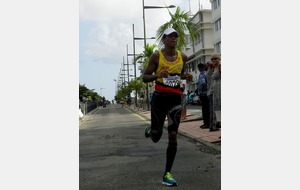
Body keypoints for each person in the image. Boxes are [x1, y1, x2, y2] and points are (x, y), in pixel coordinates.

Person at [142, 27, 187, 187]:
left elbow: (181, 76)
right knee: (156, 136)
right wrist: (157, 75)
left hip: (175, 99)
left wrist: (184, 78)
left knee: (173, 135)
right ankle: (151, 130)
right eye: (170, 37)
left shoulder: (183, 56)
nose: (173, 39)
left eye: (176, 36)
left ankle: (167, 173)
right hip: (159, 99)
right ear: (164, 40)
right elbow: (144, 77)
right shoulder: (156, 56)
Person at [197, 63, 210, 129]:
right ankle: (207, 122)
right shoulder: (206, 73)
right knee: (207, 108)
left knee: (205, 109)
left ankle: (206, 123)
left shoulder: (202, 74)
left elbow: (203, 83)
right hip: (206, 93)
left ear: (199, 68)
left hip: (203, 94)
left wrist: (201, 91)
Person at [211, 53, 221, 131]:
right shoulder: (214, 68)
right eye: (212, 59)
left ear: (219, 59)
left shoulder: (220, 67)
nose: (213, 60)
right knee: (218, 112)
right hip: (216, 93)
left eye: (215, 58)